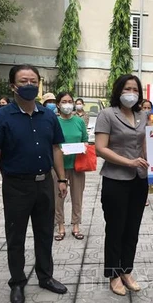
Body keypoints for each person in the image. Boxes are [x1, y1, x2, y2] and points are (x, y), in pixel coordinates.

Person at [0, 64, 69, 303]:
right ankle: (18, 282)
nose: (29, 85)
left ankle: (45, 276)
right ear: (13, 86)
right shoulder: (0, 118)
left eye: (34, 81)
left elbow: (56, 148)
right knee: (16, 236)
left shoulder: (48, 116)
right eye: (24, 81)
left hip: (44, 184)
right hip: (16, 187)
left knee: (45, 232)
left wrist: (61, 179)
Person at [95, 74, 148, 296]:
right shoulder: (107, 114)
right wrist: (129, 162)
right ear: (119, 90)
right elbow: (100, 148)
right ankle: (113, 274)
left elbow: (145, 143)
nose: (131, 93)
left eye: (135, 89)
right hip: (115, 180)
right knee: (116, 228)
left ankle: (127, 270)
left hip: (139, 180)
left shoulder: (143, 114)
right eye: (127, 88)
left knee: (132, 229)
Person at [53, 92, 88, 242]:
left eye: (70, 101)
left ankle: (76, 225)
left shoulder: (79, 121)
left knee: (77, 196)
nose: (67, 104)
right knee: (58, 197)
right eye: (64, 101)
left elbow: (86, 140)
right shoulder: (53, 122)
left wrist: (83, 146)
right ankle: (60, 225)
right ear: (58, 105)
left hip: (77, 165)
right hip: (57, 167)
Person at [141, 99, 153, 206]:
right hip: (139, 152)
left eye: (148, 108)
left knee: (147, 177)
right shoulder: (136, 122)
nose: (146, 110)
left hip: (150, 153)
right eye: (144, 108)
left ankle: (144, 197)